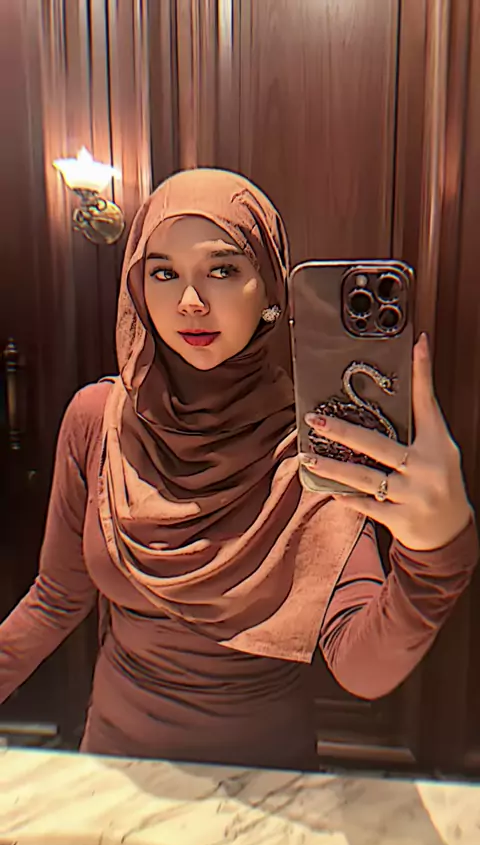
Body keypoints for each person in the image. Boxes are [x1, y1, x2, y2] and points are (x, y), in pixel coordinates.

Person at [0, 169, 477, 771]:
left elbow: (362, 666)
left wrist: (435, 556)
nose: (190, 302)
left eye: (222, 270)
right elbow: (55, 599)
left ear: (270, 285)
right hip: (115, 773)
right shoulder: (98, 419)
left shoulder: (321, 438)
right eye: (163, 273)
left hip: (264, 787)